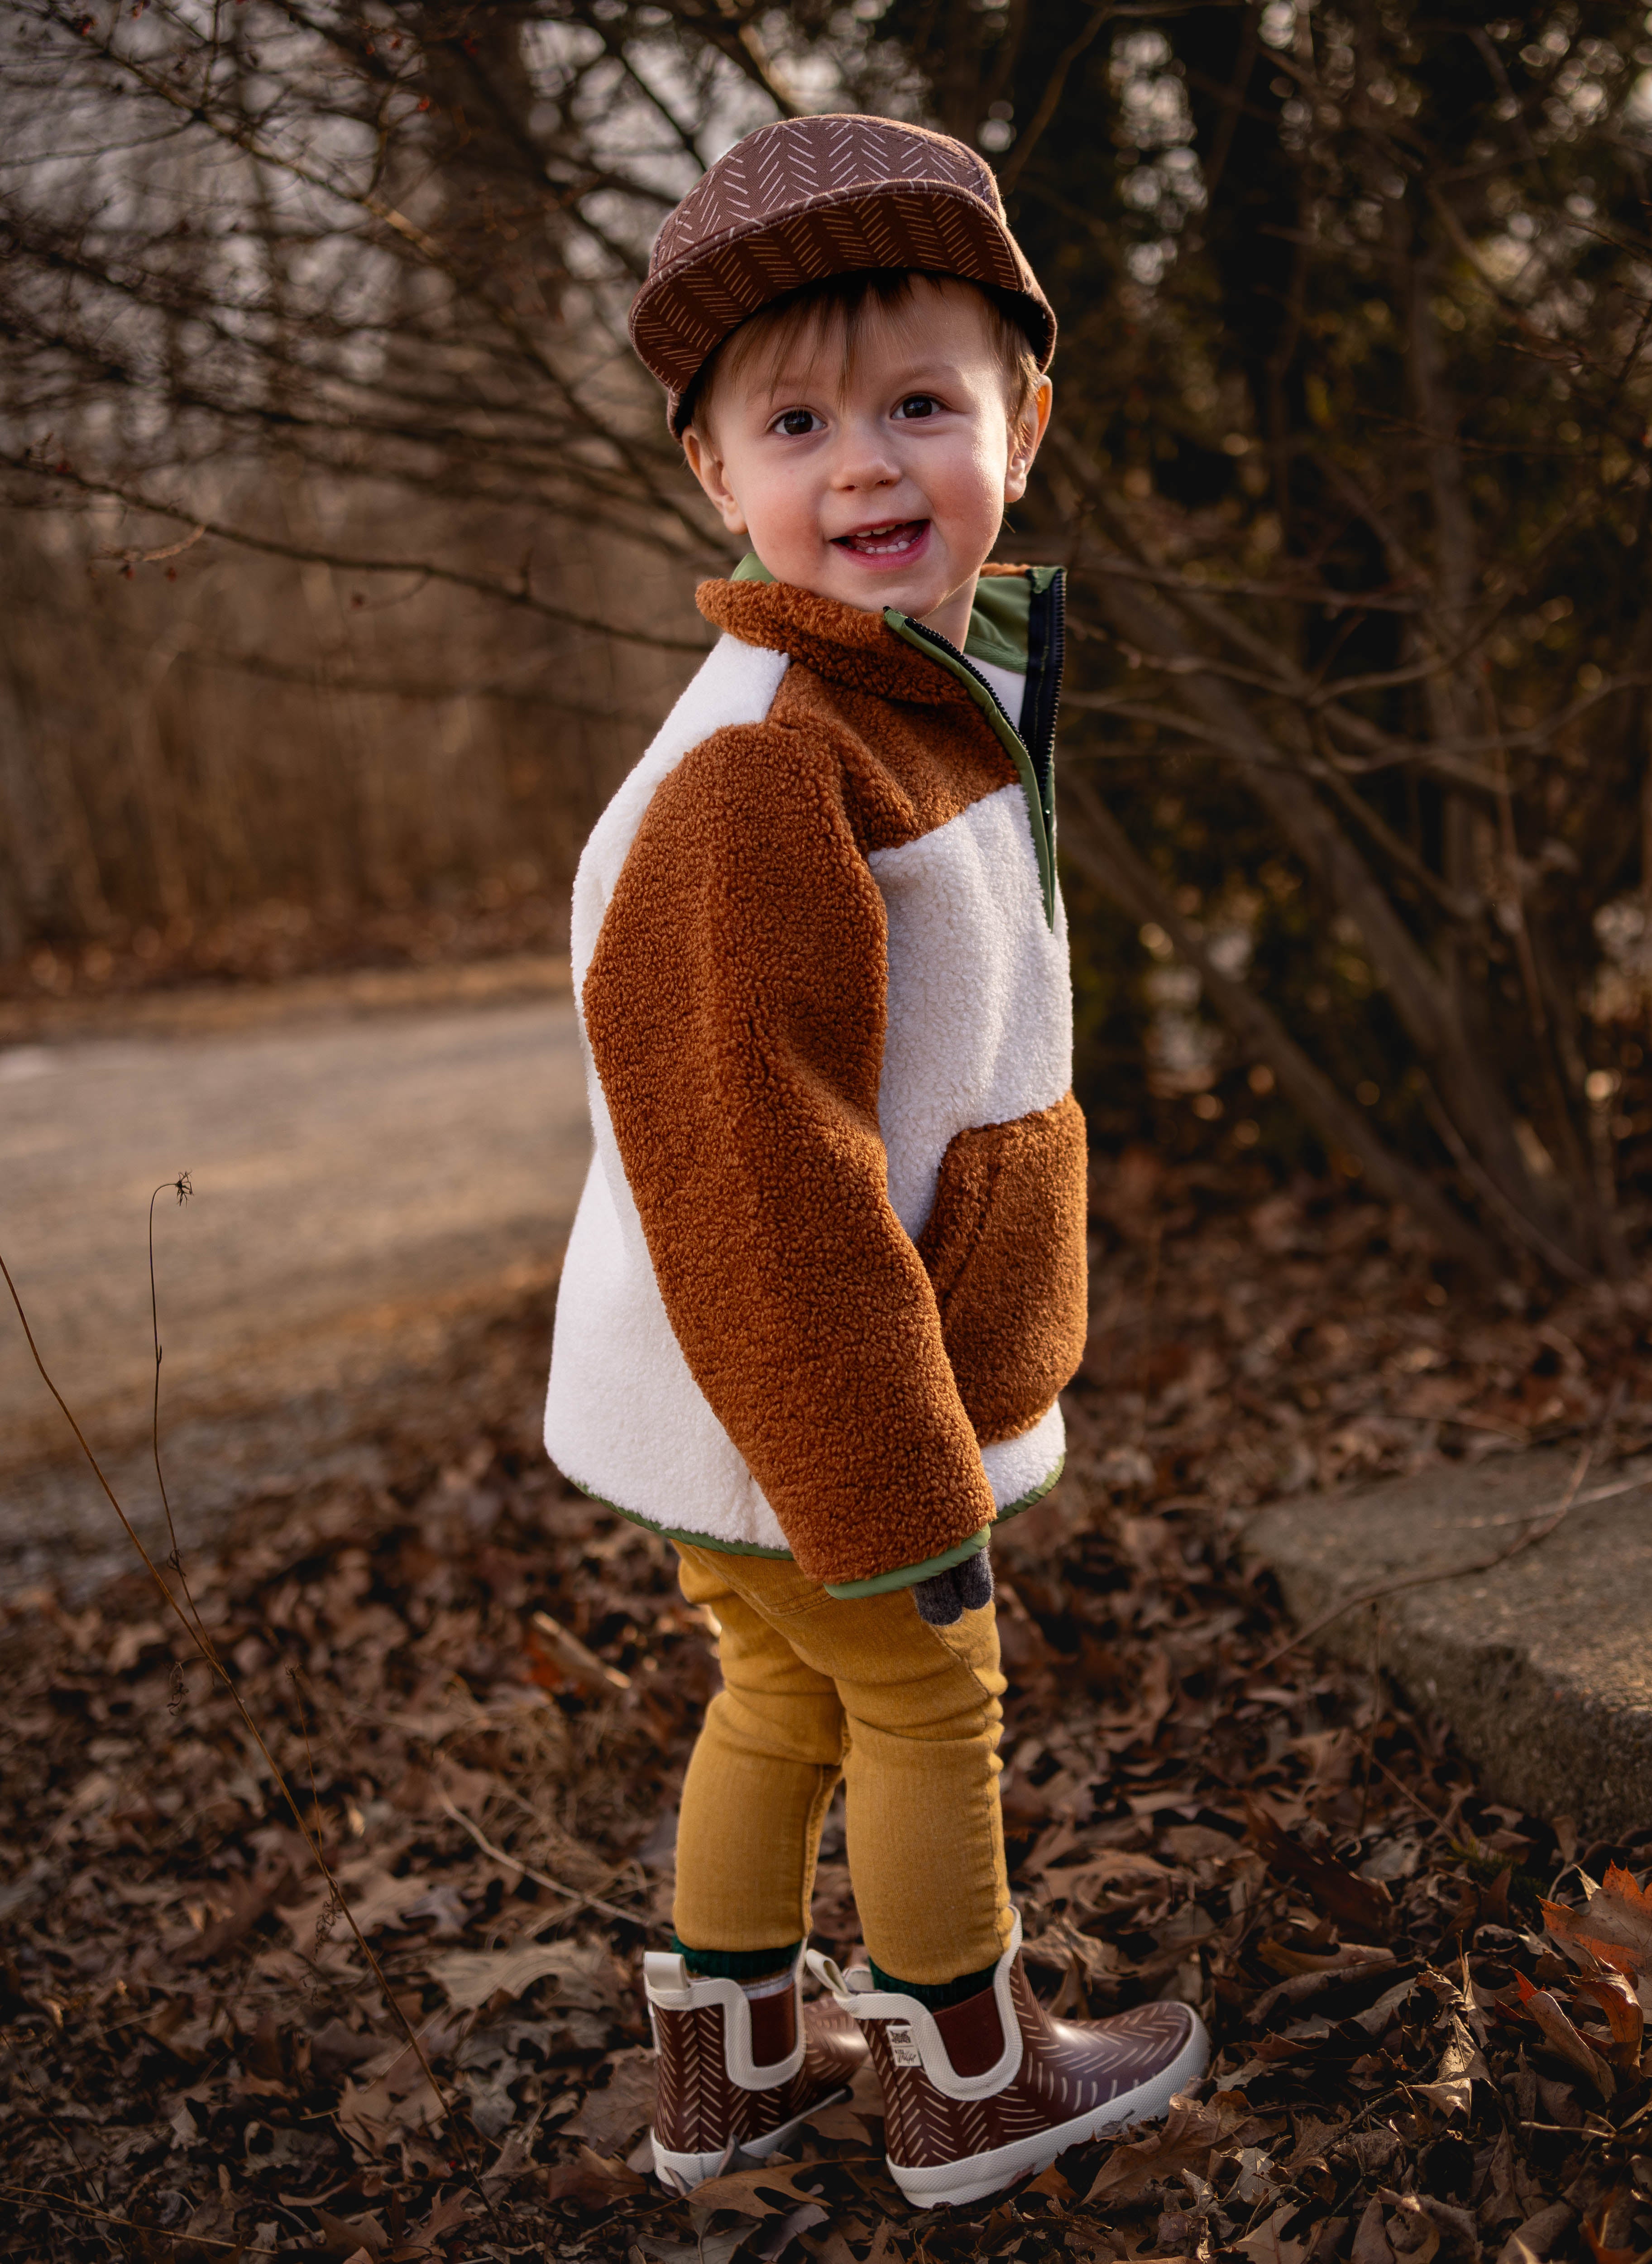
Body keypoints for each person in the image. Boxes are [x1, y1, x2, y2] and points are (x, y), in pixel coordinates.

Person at [544, 112, 1207, 2207]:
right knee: (931, 1695)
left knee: (775, 1685)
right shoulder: (767, 764)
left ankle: (729, 2060)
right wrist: (887, 1474)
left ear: (1024, 417)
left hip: (761, 1385)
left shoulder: (907, 700)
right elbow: (761, 1163)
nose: (865, 467)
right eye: (798, 420)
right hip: (810, 1388)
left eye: (920, 404)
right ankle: (975, 2071)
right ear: (713, 474)